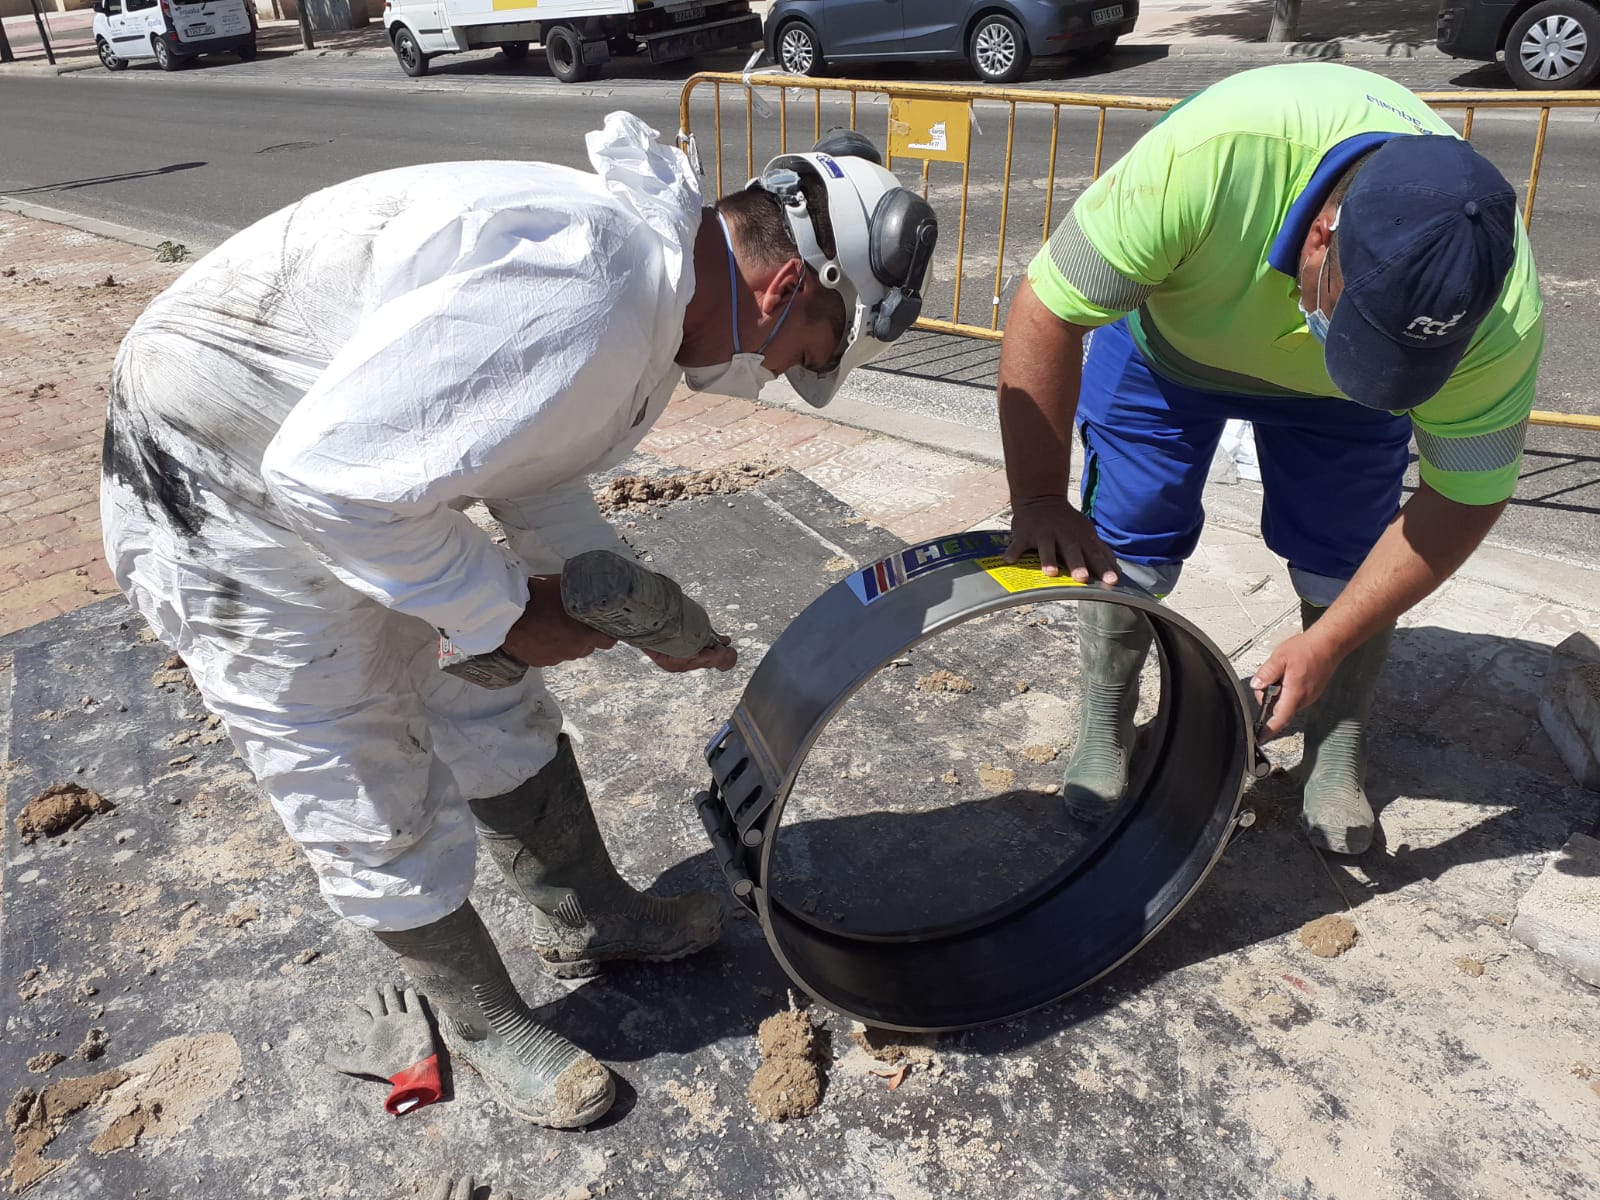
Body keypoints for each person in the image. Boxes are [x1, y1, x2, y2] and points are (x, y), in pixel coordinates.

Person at [101, 113, 936, 1128]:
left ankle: (588, 917)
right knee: (350, 755)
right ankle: (489, 1022)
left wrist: (607, 596)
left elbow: (524, 448)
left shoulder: (655, 290)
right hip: (214, 480)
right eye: (807, 350)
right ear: (787, 287)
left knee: (484, 692)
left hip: (341, 466)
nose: (779, 374)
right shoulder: (589, 288)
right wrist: (503, 612)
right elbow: (326, 483)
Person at [997, 63, 1542, 856]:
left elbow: (1464, 496)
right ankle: (1107, 718)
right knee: (1130, 534)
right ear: (1323, 235)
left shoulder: (1500, 304)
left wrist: (1330, 639)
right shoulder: (1211, 159)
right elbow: (1046, 308)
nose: (1368, 358)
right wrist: (1040, 498)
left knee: (1346, 554)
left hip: (1342, 410)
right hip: (1168, 348)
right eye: (1361, 333)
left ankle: (1339, 742)